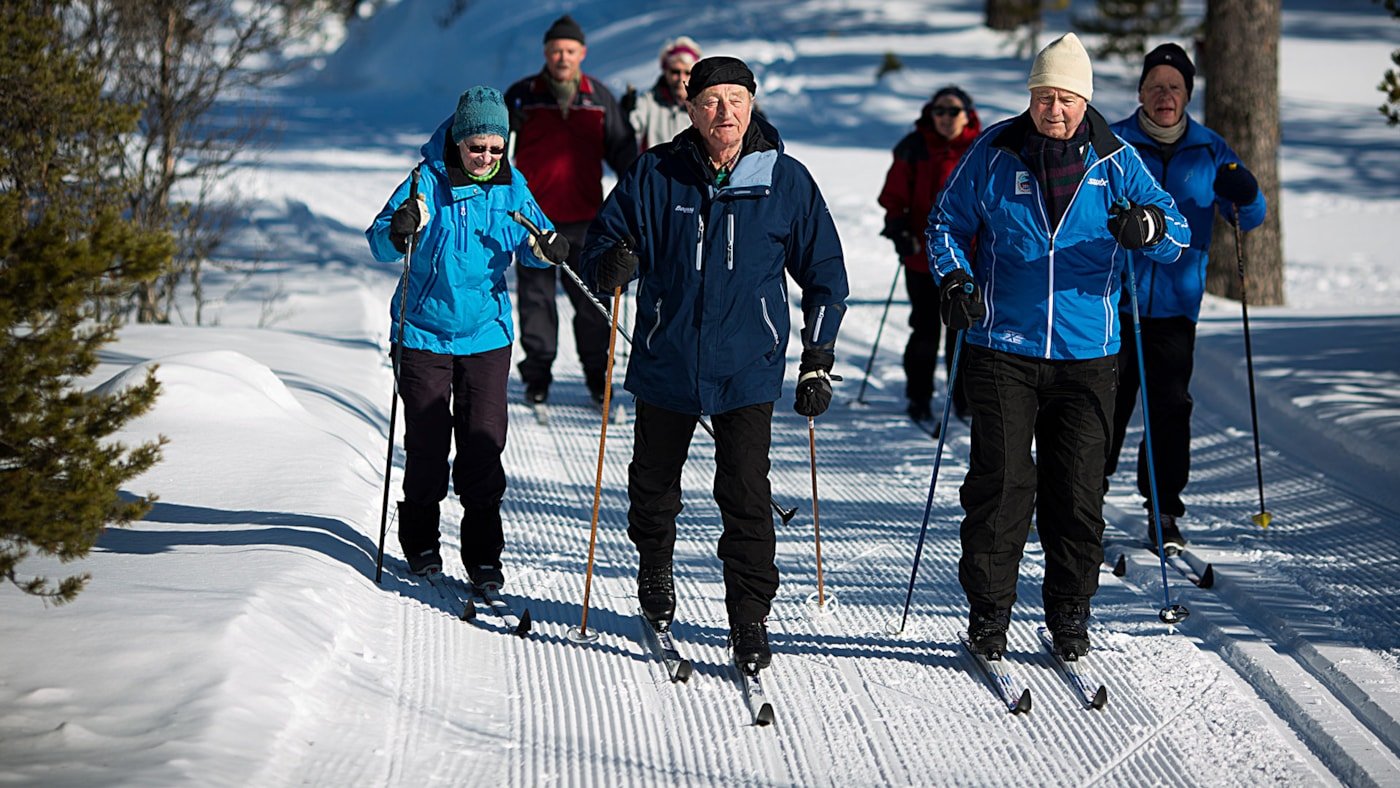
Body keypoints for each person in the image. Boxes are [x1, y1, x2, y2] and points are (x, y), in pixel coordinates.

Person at [580, 56, 848, 672]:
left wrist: (818, 356)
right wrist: (610, 263)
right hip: (665, 359)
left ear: (751, 103)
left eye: (735, 99)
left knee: (746, 496)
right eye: (710, 101)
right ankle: (655, 570)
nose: (723, 112)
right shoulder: (655, 173)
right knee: (652, 488)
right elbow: (603, 243)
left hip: (745, 367)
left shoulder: (787, 180)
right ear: (689, 106)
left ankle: (749, 617)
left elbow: (826, 275)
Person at [927, 33, 1190, 659]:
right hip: (1001, 346)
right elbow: (945, 224)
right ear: (1031, 96)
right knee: (1002, 485)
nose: (1055, 110)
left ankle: (1070, 612)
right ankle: (989, 613)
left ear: (1085, 100)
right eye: (1045, 96)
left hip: (1088, 354)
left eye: (1067, 98)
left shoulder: (1117, 159)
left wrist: (1145, 225)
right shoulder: (994, 152)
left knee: (1076, 491)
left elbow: (1174, 231)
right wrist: (957, 280)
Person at [366, 86, 570, 584]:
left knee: (483, 445)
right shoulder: (424, 182)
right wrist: (400, 228)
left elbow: (534, 239)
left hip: (486, 335)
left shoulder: (512, 186)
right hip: (422, 334)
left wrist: (548, 247)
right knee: (429, 446)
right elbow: (379, 243)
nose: (485, 158)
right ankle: (420, 543)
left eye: (495, 149)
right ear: (458, 140)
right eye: (476, 147)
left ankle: (483, 556)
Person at [1107, 43, 1268, 552]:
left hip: (1177, 307)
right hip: (1115, 303)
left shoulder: (1210, 149)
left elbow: (1250, 215)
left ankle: (1163, 511)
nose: (1164, 96)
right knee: (1104, 406)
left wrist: (1245, 191)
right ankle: (1084, 497)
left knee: (1170, 409)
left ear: (1187, 96)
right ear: (1140, 93)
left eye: (1174, 88)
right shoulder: (1113, 142)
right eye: (1155, 86)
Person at [505, 15, 638, 407]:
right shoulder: (521, 96)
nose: (562, 56)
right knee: (536, 301)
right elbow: (496, 151)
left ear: (582, 53)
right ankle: (538, 375)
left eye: (570, 50)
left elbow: (623, 153)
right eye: (556, 49)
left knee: (592, 300)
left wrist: (636, 198)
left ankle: (598, 377)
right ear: (546, 52)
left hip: (586, 219)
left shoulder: (598, 97)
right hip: (534, 219)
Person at [877, 86, 982, 422]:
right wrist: (899, 230)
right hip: (923, 258)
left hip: (970, 260)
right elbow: (893, 197)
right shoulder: (914, 147)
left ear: (967, 114)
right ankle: (919, 397)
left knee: (963, 330)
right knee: (924, 330)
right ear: (929, 114)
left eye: (953, 111)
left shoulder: (983, 148)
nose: (946, 118)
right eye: (940, 111)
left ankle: (964, 400)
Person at [627, 36, 703, 152]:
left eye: (687, 72)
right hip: (655, 168)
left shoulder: (702, 105)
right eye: (675, 72)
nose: (680, 79)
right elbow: (630, 128)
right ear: (665, 71)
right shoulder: (649, 101)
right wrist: (626, 110)